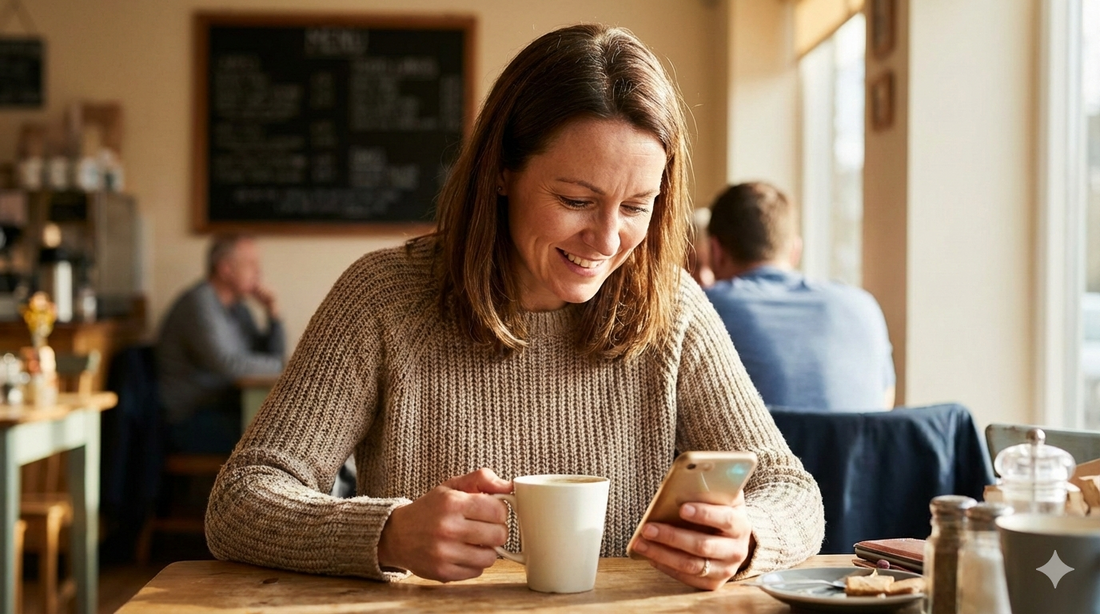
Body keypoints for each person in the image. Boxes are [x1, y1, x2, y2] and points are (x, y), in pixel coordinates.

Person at [205, 24, 823, 591]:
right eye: (577, 200)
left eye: (637, 207)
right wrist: (389, 532)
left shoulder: (672, 307)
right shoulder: (383, 297)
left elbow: (791, 491)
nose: (607, 241)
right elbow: (239, 501)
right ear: (502, 172)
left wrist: (746, 539)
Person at [704, 182, 895, 410]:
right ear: (795, 250)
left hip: (761, 446)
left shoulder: (704, 308)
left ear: (716, 252)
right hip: (856, 447)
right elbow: (884, 403)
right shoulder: (863, 306)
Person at [156, 234, 285, 454]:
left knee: (286, 427)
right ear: (225, 269)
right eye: (251, 264)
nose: (258, 272)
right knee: (277, 438)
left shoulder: (238, 309)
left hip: (225, 408)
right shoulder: (199, 303)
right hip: (191, 419)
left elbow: (267, 356)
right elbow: (228, 366)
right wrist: (287, 366)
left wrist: (273, 315)